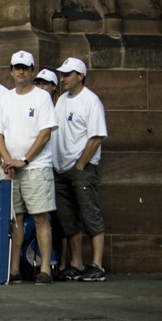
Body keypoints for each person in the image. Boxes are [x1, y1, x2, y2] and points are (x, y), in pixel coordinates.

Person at [0, 50, 58, 285]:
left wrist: (25, 160)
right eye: (16, 67)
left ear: (31, 71)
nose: (20, 71)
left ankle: (45, 269)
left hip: (36, 167)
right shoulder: (5, 98)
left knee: (40, 217)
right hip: (11, 168)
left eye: (25, 68)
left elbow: (45, 134)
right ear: (11, 71)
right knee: (16, 219)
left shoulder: (41, 97)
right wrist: (8, 159)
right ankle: (14, 269)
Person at [52, 57, 108, 282]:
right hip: (61, 168)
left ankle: (97, 265)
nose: (63, 78)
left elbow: (96, 136)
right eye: (62, 74)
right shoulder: (62, 99)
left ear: (81, 75)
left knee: (89, 213)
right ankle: (76, 263)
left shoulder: (91, 100)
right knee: (68, 218)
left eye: (68, 74)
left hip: (80, 168)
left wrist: (81, 164)